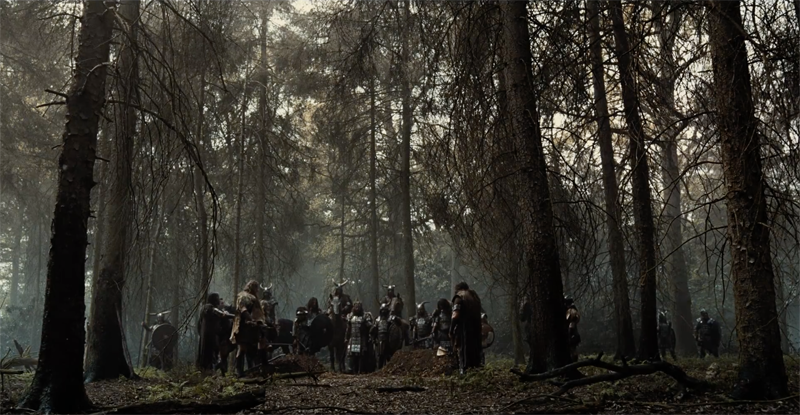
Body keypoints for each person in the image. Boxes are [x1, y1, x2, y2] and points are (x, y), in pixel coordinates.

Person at [230, 280, 266, 377]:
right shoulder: (244, 296)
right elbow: (243, 309)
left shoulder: (252, 297)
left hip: (252, 327)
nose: (257, 290)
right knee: (242, 348)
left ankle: (251, 369)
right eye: (256, 288)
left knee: (250, 348)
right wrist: (251, 319)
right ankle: (239, 372)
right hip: (244, 326)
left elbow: (257, 312)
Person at [197, 292, 234, 374]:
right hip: (209, 336)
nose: (218, 300)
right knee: (209, 354)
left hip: (213, 335)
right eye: (217, 298)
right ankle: (208, 371)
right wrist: (230, 315)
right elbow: (219, 313)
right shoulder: (208, 307)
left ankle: (212, 370)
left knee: (214, 354)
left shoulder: (209, 308)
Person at [451, 282, 482, 373]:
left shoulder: (459, 297)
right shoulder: (474, 296)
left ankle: (464, 371)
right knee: (475, 351)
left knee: (464, 351)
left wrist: (451, 330)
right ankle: (475, 370)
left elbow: (455, 315)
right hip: (476, 329)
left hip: (464, 329)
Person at [345, 301, 372, 374]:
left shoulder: (365, 316)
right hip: (352, 337)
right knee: (351, 354)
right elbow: (348, 328)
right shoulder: (350, 316)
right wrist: (346, 337)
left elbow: (369, 325)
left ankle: (360, 369)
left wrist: (366, 324)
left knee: (361, 354)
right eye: (356, 306)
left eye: (358, 307)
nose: (357, 308)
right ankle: (352, 369)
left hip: (361, 337)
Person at [565, 297, 581, 362]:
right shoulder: (573, 310)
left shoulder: (571, 311)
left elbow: (572, 324)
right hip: (573, 333)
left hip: (572, 334)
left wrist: (570, 333)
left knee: (572, 349)